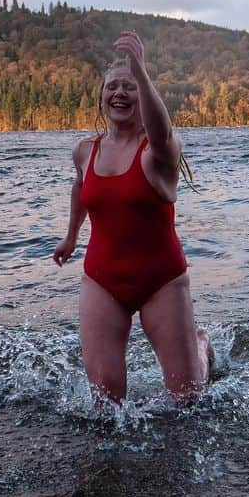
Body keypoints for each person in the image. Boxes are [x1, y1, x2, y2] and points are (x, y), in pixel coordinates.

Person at [52, 30, 212, 405]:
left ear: (145, 98)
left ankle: (202, 348)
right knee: (105, 404)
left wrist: (140, 68)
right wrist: (71, 236)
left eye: (130, 87)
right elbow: (80, 186)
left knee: (187, 399)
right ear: (101, 96)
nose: (120, 93)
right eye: (113, 87)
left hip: (163, 281)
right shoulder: (84, 150)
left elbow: (162, 131)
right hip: (102, 279)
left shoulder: (158, 153)